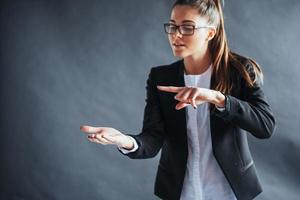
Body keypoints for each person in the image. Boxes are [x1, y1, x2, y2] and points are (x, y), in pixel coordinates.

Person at [80, 0, 276, 199]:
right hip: (182, 191)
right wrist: (124, 141)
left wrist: (219, 99)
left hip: (229, 191)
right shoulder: (161, 77)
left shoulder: (238, 70)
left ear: (210, 32)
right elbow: (153, 139)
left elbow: (265, 126)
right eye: (172, 26)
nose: (176, 35)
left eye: (187, 27)